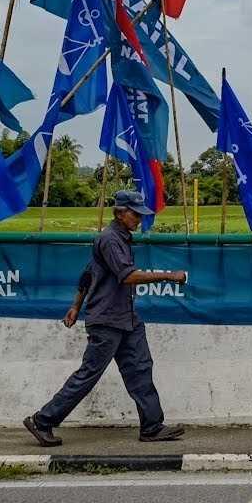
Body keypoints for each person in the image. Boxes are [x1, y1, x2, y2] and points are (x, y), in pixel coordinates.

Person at [23, 190, 187, 446]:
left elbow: (88, 273)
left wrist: (76, 306)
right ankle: (42, 421)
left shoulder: (119, 238)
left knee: (141, 369)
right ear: (120, 213)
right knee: (88, 375)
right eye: (135, 214)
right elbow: (127, 276)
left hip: (126, 318)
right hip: (107, 320)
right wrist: (168, 276)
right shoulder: (110, 239)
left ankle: (152, 427)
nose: (139, 219)